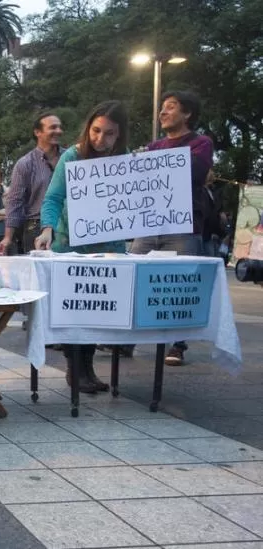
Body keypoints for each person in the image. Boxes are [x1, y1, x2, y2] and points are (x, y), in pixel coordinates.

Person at [36, 100, 130, 393]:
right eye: (96, 131)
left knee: (97, 309)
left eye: (110, 134)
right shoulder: (71, 157)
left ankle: (87, 368)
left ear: (120, 135)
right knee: (75, 308)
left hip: (110, 247)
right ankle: (75, 368)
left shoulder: (125, 160)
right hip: (70, 245)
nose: (101, 139)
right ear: (88, 127)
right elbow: (53, 198)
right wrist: (47, 228)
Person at [119, 91, 214, 366]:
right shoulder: (154, 147)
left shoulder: (201, 143)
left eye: (170, 107)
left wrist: (153, 167)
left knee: (179, 282)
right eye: (162, 107)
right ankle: (127, 341)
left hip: (182, 226)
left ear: (187, 114)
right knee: (133, 277)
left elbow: (193, 172)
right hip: (149, 223)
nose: (163, 112)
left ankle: (177, 345)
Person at [0, 112, 63, 256]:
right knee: (40, 277)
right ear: (37, 132)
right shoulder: (25, 164)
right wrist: (8, 238)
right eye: (53, 127)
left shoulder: (70, 158)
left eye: (60, 127)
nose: (58, 131)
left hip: (67, 228)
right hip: (36, 228)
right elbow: (15, 202)